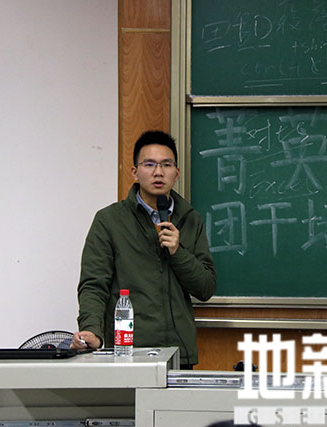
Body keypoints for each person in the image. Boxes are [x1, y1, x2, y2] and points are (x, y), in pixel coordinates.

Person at [71, 130, 217, 368]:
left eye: (166, 164)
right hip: (127, 351)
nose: (158, 172)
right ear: (135, 172)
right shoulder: (110, 220)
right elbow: (94, 285)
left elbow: (205, 287)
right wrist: (92, 330)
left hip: (178, 353)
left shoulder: (191, 219)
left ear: (177, 173)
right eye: (149, 164)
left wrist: (178, 251)